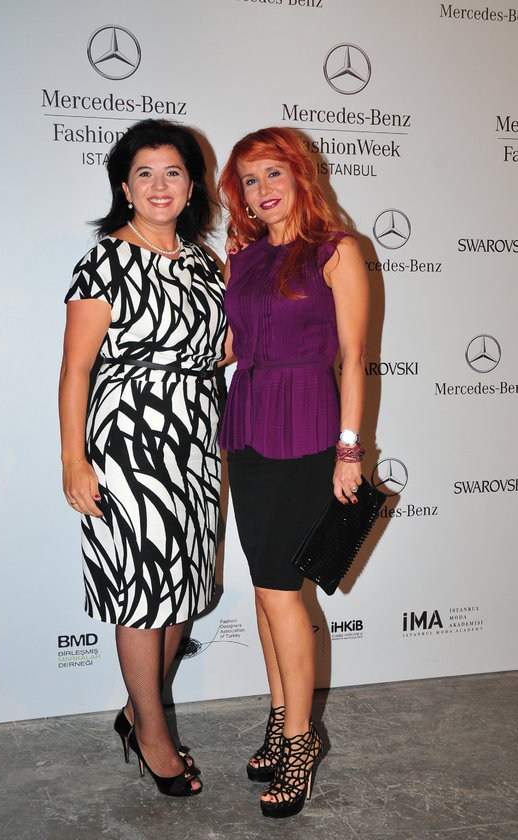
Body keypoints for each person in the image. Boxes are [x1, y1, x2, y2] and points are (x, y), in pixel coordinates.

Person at [59, 119, 226, 797]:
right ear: (125, 188)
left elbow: (217, 349)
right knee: (142, 593)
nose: (160, 186)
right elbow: (76, 370)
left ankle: (137, 711)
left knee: (182, 587)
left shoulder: (205, 265)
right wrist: (74, 460)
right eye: (145, 174)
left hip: (196, 443)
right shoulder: (103, 261)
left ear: (191, 187)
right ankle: (153, 736)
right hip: (128, 445)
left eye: (173, 173)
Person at [217, 127, 369, 818]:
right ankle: (282, 719)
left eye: (272, 173)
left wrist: (349, 450)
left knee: (283, 593)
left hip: (307, 426)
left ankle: (302, 744)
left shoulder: (337, 251)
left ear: (300, 175)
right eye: (249, 181)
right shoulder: (243, 257)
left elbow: (355, 357)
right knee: (264, 590)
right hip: (248, 425)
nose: (262, 190)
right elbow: (231, 345)